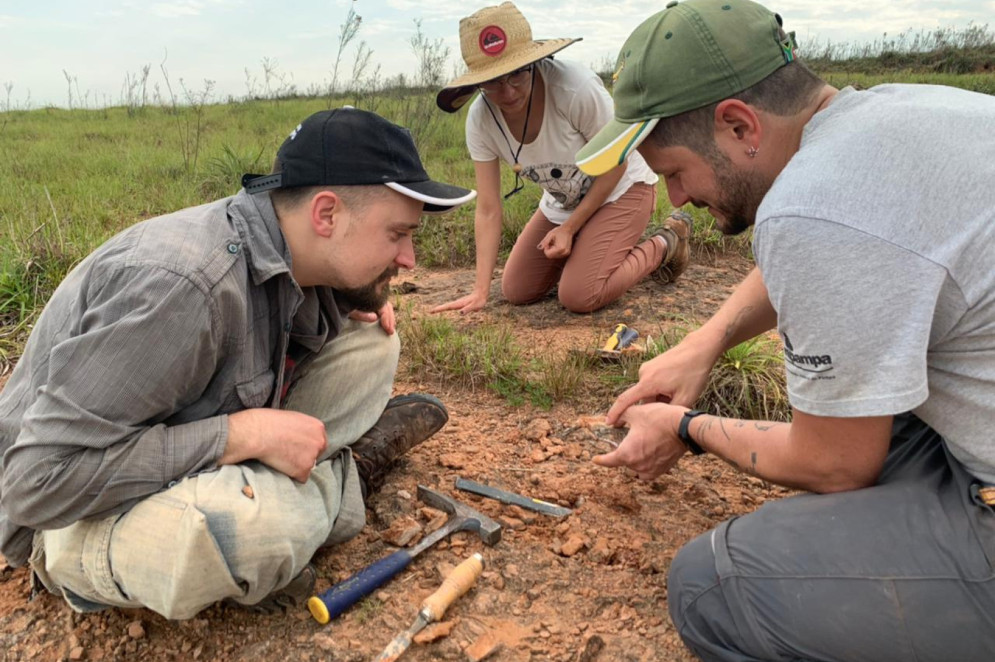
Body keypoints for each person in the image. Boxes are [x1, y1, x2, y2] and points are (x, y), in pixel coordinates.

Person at [576, 0, 995, 660]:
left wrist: (686, 429)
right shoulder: (891, 113)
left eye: (674, 172)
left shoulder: (812, 204)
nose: (676, 199)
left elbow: (832, 463)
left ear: (738, 125)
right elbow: (840, 242)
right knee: (879, 403)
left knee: (710, 585)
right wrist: (704, 341)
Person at [0, 108, 476, 620]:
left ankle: (306, 491)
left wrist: (351, 293)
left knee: (372, 340)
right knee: (246, 533)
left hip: (172, 452)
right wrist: (239, 436)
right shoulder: (182, 290)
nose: (409, 259)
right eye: (397, 234)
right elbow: (34, 482)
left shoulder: (280, 240)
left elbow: (280, 323)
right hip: (65, 513)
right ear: (326, 214)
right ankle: (342, 483)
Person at [431, 1, 692, 315]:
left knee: (579, 295)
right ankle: (589, 247)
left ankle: (666, 242)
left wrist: (570, 229)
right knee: (516, 290)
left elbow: (617, 160)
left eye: (517, 74)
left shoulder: (574, 88)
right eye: (493, 81)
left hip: (624, 187)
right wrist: (480, 290)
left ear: (533, 62)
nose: (509, 92)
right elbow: (488, 208)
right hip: (563, 203)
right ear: (477, 83)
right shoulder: (481, 119)